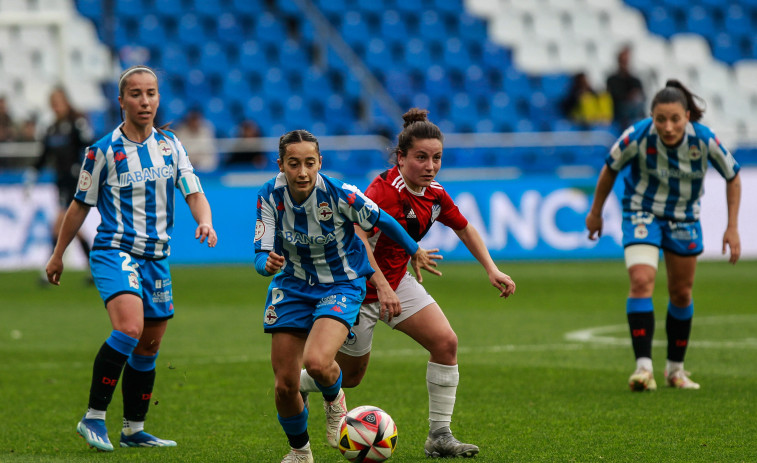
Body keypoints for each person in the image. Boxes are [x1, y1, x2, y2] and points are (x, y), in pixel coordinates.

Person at [299, 108, 517, 458]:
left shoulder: (435, 194)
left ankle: (439, 436)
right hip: (357, 288)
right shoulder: (384, 192)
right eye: (421, 158)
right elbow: (356, 238)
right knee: (350, 377)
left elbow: (463, 227)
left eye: (437, 158)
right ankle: (298, 383)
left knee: (446, 342)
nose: (430, 166)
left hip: (397, 282)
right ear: (400, 158)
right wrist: (381, 286)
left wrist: (491, 269)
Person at [45, 65, 218, 452]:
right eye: (136, 94)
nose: (145, 101)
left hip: (157, 258)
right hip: (115, 250)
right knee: (128, 329)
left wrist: (204, 221)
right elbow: (78, 207)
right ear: (121, 101)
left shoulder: (171, 146)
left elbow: (193, 191)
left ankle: (133, 429)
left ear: (158, 98)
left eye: (151, 93)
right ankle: (92, 418)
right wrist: (58, 255)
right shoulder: (102, 151)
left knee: (149, 347)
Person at [254, 129, 436, 463]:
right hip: (292, 286)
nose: (303, 172)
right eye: (294, 164)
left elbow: (385, 221)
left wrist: (414, 249)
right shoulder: (269, 196)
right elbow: (260, 256)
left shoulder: (341, 194)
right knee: (284, 385)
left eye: (310, 163)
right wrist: (266, 263)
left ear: (320, 162)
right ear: (281, 165)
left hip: (340, 284)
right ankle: (300, 452)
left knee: (318, 362)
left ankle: (335, 401)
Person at [585, 80, 741, 392]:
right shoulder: (637, 135)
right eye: (660, 119)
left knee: (681, 293)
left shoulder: (705, 139)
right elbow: (609, 169)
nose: (668, 127)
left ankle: (676, 370)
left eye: (675, 119)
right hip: (642, 212)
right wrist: (596, 211)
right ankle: (643, 368)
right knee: (641, 281)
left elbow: (733, 176)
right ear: (652, 118)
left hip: (684, 216)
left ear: (687, 116)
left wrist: (732, 226)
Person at [26, 87, 94, 281]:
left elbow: (89, 146)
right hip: (61, 181)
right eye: (53, 103)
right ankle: (93, 267)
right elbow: (45, 154)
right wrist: (33, 172)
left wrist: (85, 169)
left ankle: (50, 268)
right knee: (72, 227)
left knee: (61, 224)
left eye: (59, 102)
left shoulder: (76, 124)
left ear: (66, 102)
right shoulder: (52, 128)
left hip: (75, 180)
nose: (56, 106)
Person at [606, 45, 645, 130]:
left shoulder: (634, 79)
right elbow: (614, 96)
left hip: (633, 108)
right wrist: (628, 97)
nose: (625, 63)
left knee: (639, 105)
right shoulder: (612, 79)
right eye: (623, 61)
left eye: (626, 61)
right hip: (619, 109)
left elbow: (641, 94)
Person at [174, 108, 218, 172]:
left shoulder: (207, 129)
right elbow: (182, 152)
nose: (194, 122)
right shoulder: (180, 131)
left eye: (196, 119)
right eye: (192, 119)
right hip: (188, 162)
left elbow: (209, 149)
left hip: (203, 163)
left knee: (208, 162)